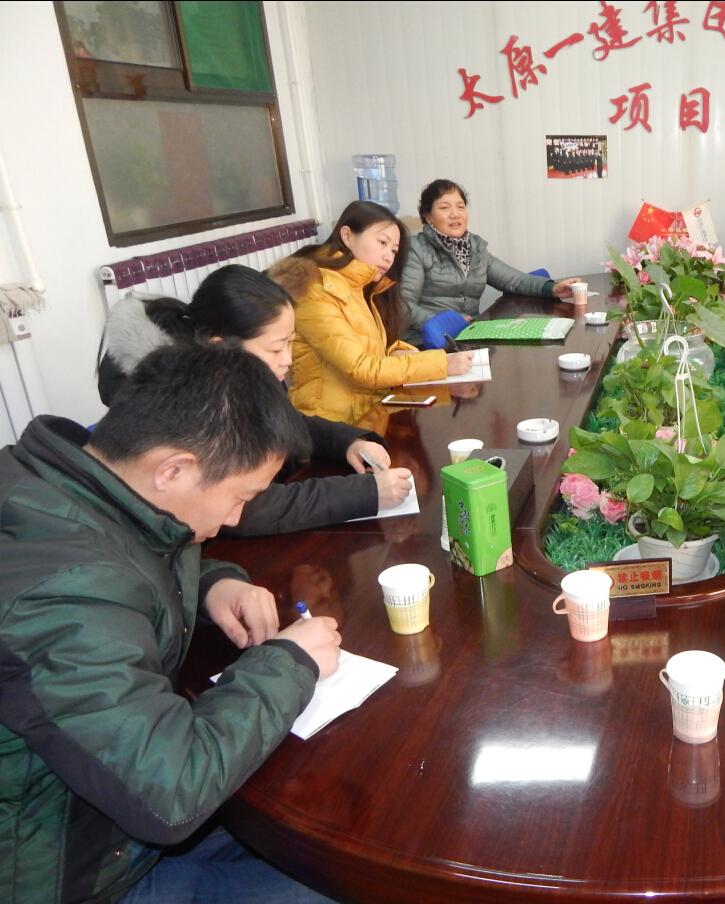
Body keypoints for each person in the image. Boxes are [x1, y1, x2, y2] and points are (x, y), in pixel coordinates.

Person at [0, 344, 342, 902]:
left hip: (104, 821)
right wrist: (289, 664)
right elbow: (171, 794)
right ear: (174, 469)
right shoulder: (62, 593)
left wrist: (214, 585)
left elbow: (132, 559)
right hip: (83, 871)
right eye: (240, 497)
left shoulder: (73, 482)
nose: (234, 518)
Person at [97, 265, 413, 535]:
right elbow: (244, 510)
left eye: (290, 343)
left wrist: (348, 442)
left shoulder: (235, 374)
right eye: (276, 348)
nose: (287, 359)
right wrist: (365, 493)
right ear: (220, 346)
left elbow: (287, 423)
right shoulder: (185, 404)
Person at [269, 200, 473, 424]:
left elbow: (370, 350)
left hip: (365, 412)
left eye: (393, 250)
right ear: (347, 236)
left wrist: (400, 353)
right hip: (331, 426)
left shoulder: (361, 289)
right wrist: (443, 364)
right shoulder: (315, 291)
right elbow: (361, 369)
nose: (389, 257)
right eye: (382, 242)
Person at [400, 178, 582, 341]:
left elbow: (515, 280)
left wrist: (553, 288)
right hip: (428, 342)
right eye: (444, 208)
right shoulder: (416, 248)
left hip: (469, 336)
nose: (455, 214)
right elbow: (402, 304)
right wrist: (440, 322)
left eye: (460, 206)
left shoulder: (476, 248)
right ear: (427, 216)